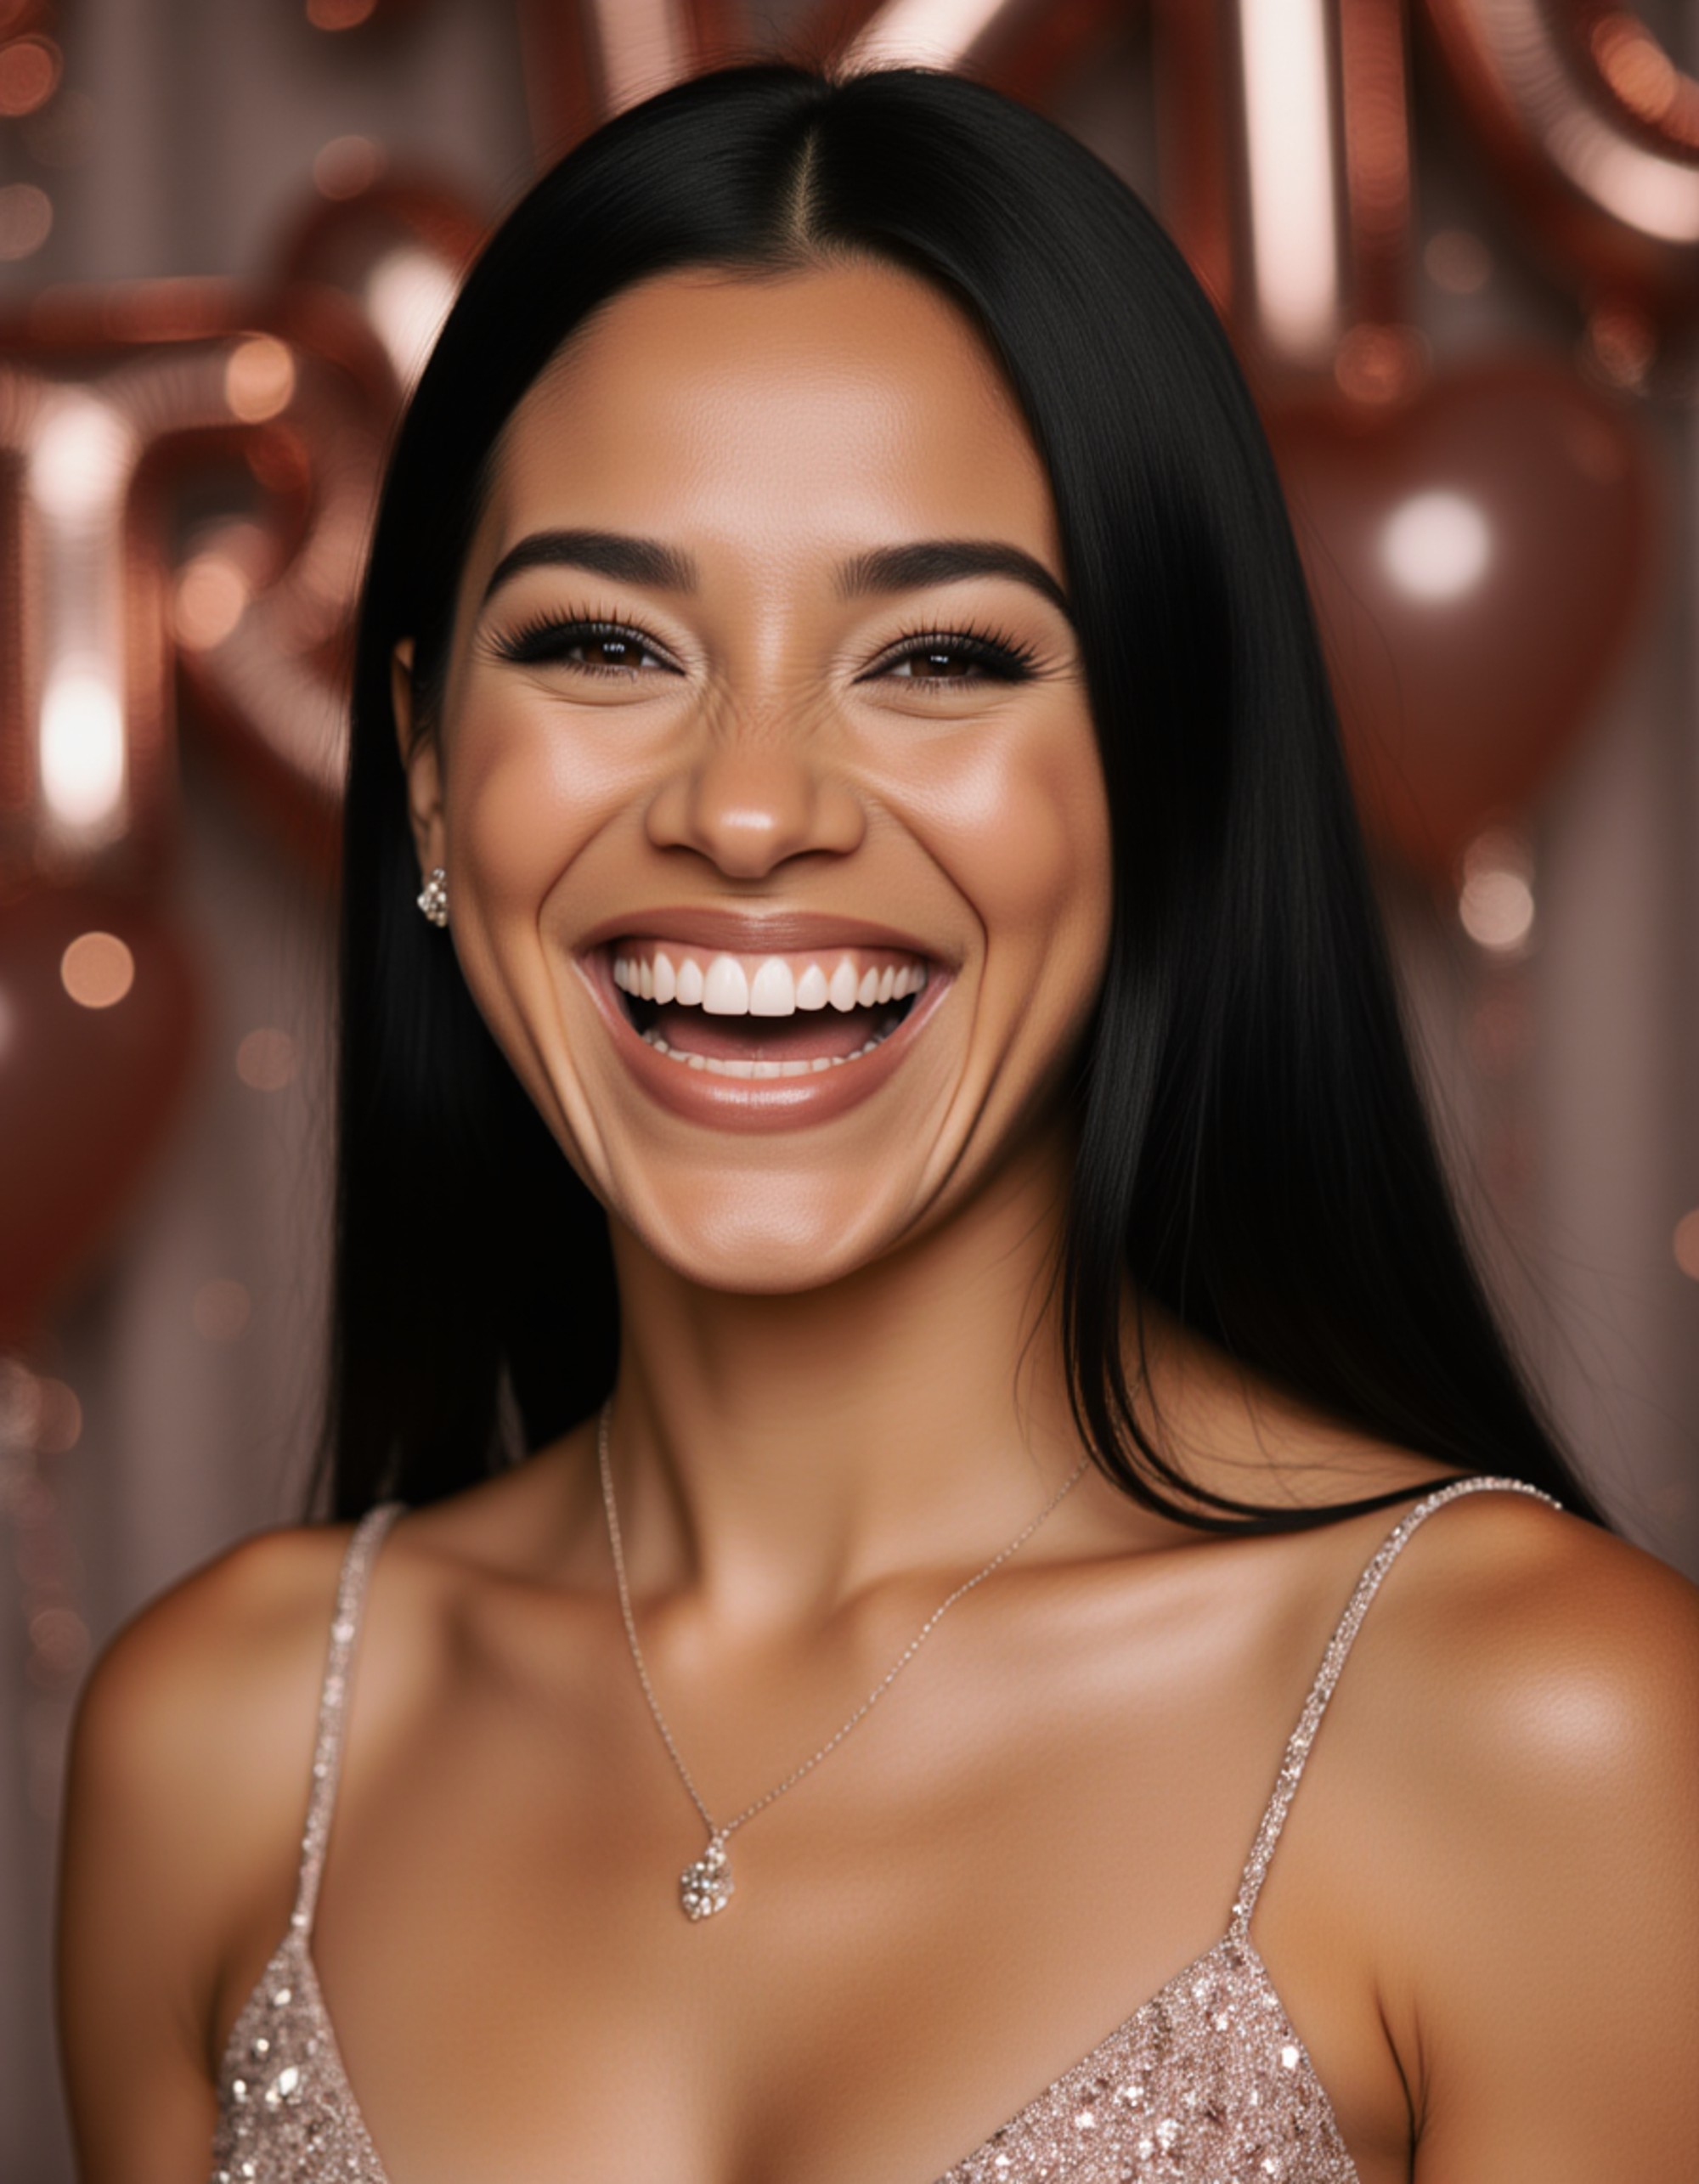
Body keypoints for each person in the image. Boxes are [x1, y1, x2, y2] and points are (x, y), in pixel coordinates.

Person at [57, 61, 1698, 2184]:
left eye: (934, 654)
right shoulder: (222, 1748)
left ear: (1167, 769)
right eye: (599, 641)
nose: (748, 808)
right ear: (431, 772)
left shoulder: (1543, 1729)